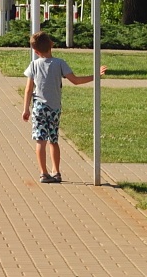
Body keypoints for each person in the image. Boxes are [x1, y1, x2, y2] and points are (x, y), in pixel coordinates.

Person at [22, 31, 106, 183]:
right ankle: (56, 171)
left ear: (35, 51)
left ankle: (43, 173)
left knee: (40, 140)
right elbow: (75, 80)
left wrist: (25, 109)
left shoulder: (33, 65)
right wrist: (95, 76)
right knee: (53, 140)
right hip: (54, 108)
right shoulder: (60, 63)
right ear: (52, 45)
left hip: (39, 108)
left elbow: (28, 89)